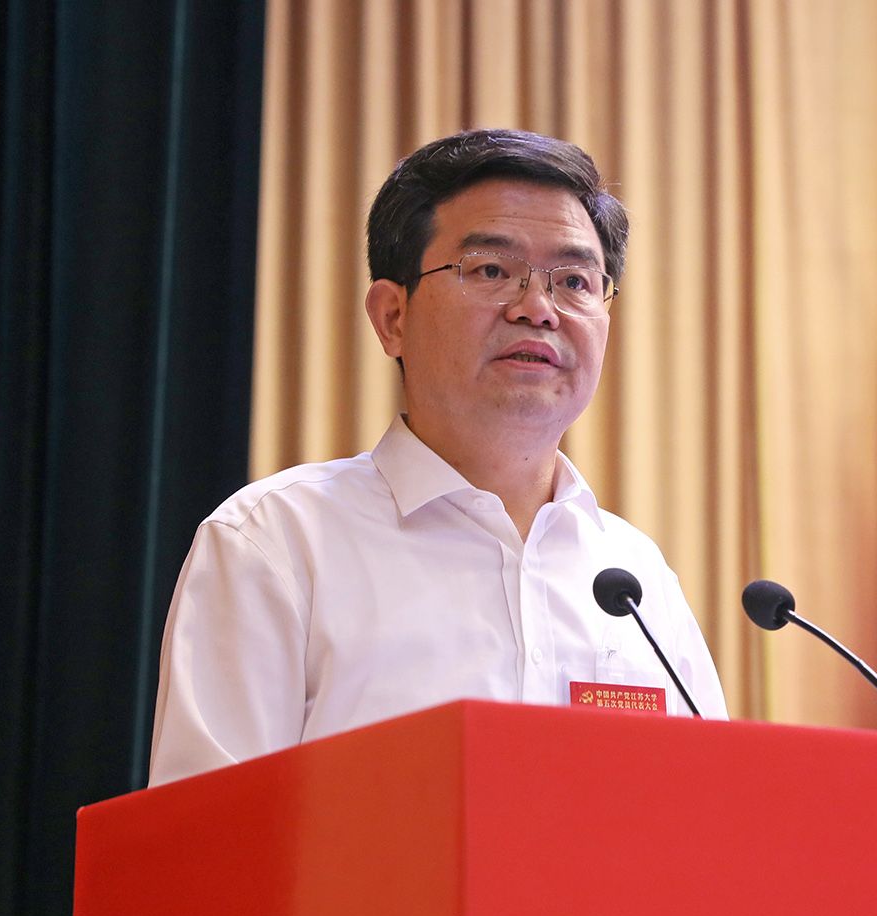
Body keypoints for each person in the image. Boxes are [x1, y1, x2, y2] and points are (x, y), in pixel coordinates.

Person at [147, 129, 728, 786]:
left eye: (574, 281)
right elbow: (208, 832)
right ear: (393, 316)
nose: (538, 309)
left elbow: (708, 813)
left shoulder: (635, 577)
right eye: (490, 271)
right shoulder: (276, 544)